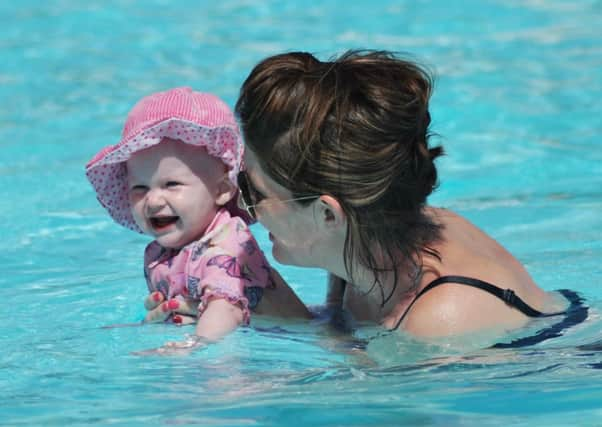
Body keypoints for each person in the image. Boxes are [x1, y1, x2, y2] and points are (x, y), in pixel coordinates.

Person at [234, 50, 587, 346]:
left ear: (328, 215)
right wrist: (278, 311)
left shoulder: (441, 320)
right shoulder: (363, 234)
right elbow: (344, 336)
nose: (239, 204)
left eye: (253, 191)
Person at [86, 87, 310, 343]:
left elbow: (227, 309)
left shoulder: (227, 244)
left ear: (222, 190)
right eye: (140, 188)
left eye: (172, 184)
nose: (153, 200)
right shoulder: (160, 251)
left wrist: (194, 346)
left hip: (281, 347)